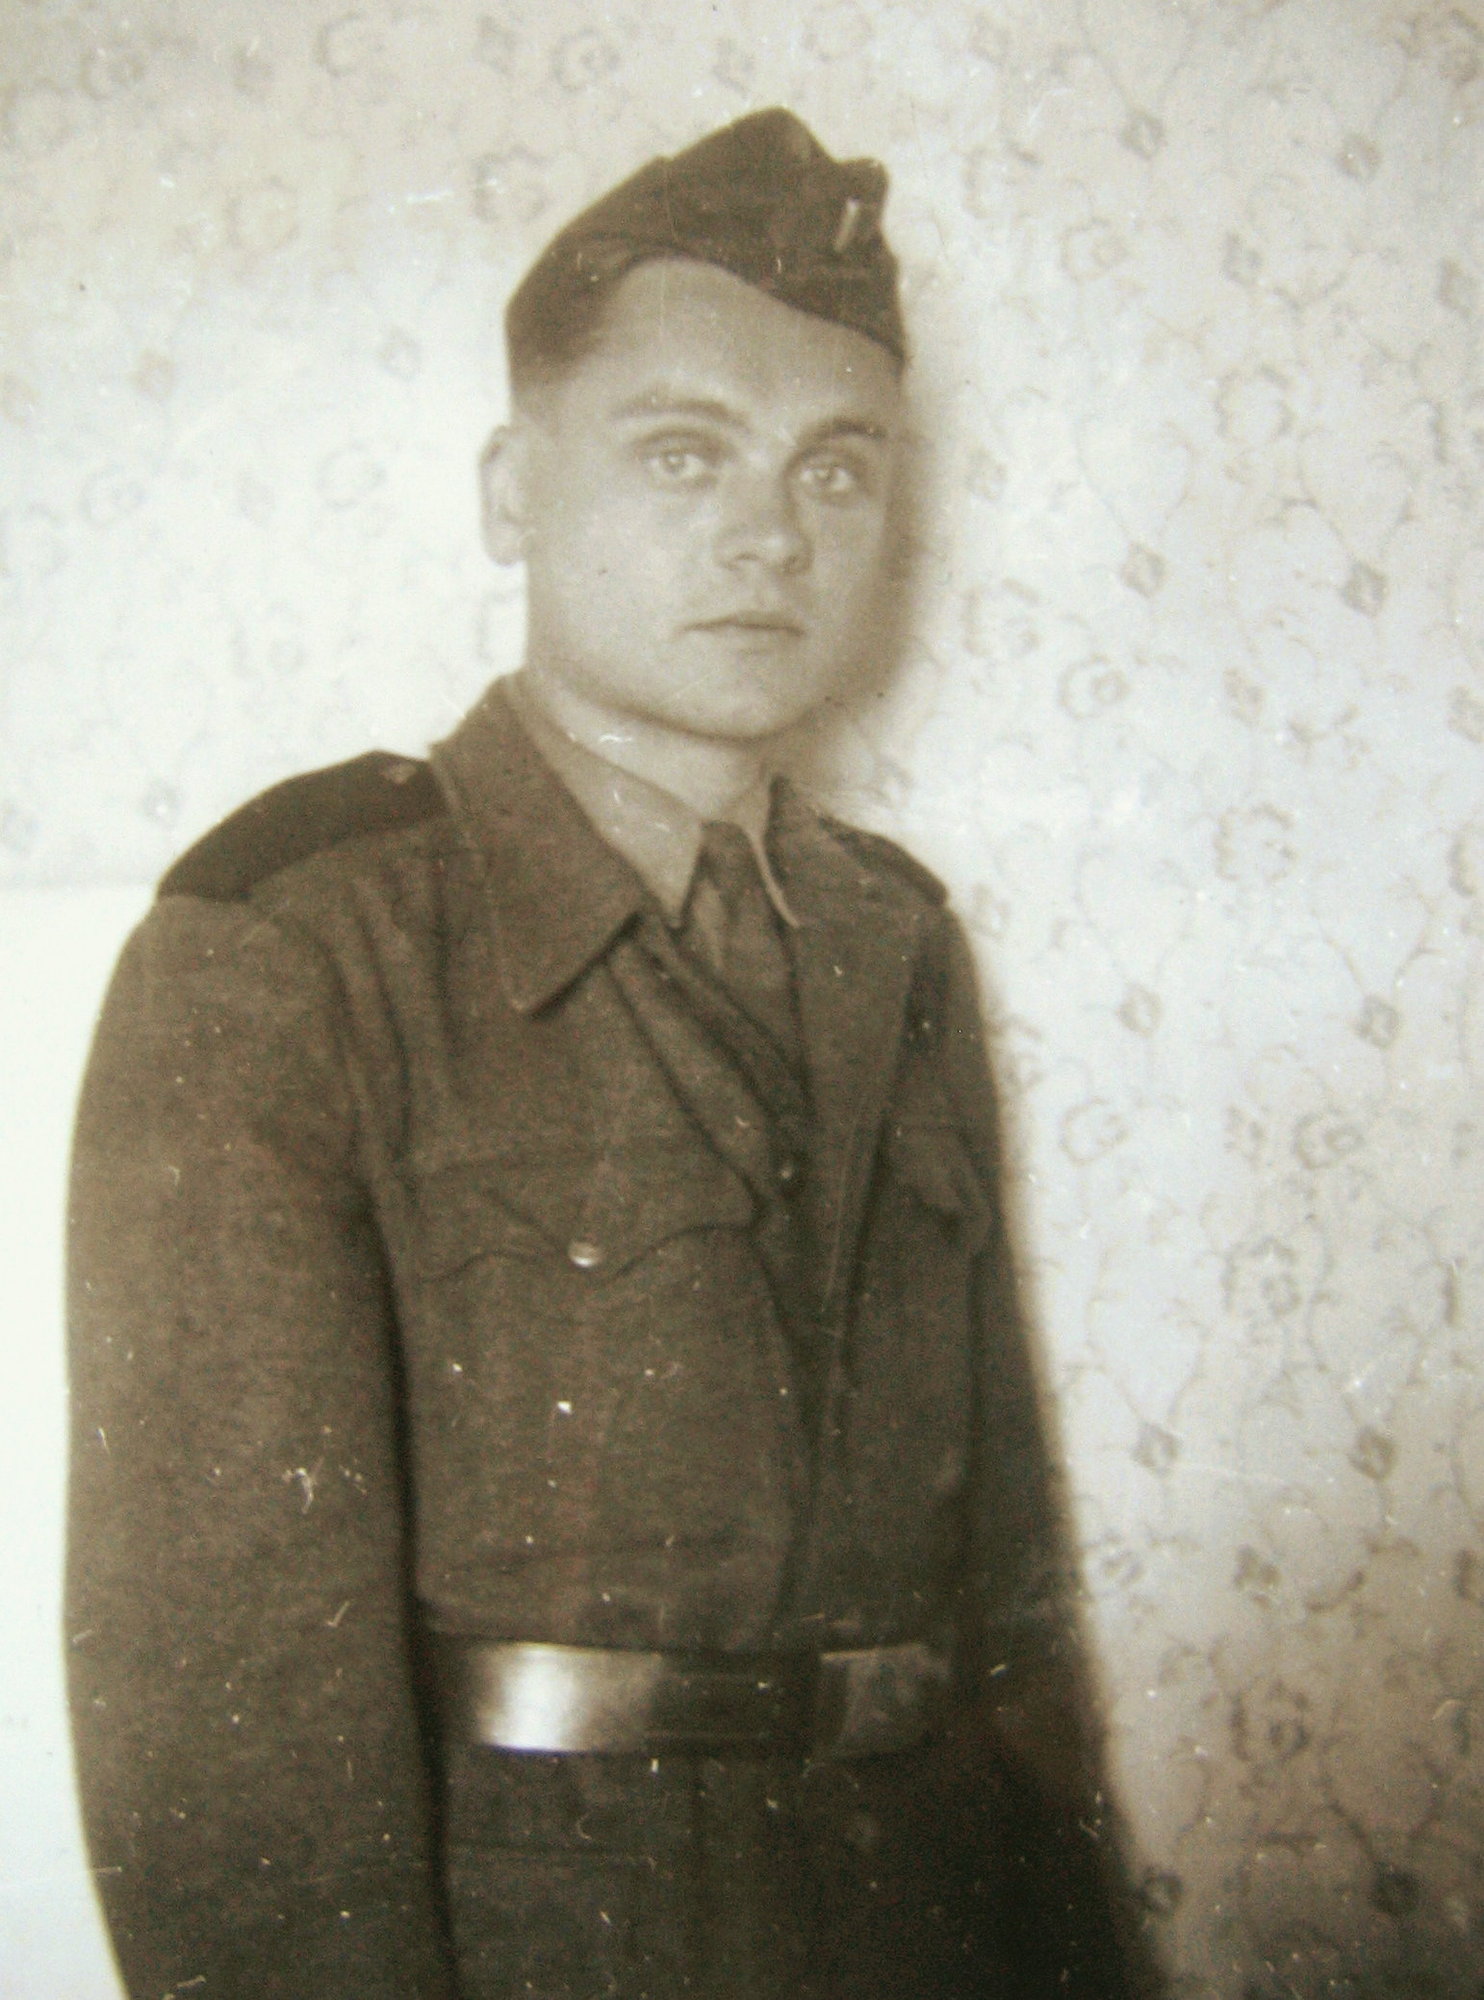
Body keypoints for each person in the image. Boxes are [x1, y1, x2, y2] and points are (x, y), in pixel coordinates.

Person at [66, 109, 1152, 2000]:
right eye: (682, 453)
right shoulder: (294, 946)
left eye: (836, 469)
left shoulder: (896, 941)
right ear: (513, 492)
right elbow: (227, 1724)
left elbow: (1010, 1618)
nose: (770, 534)